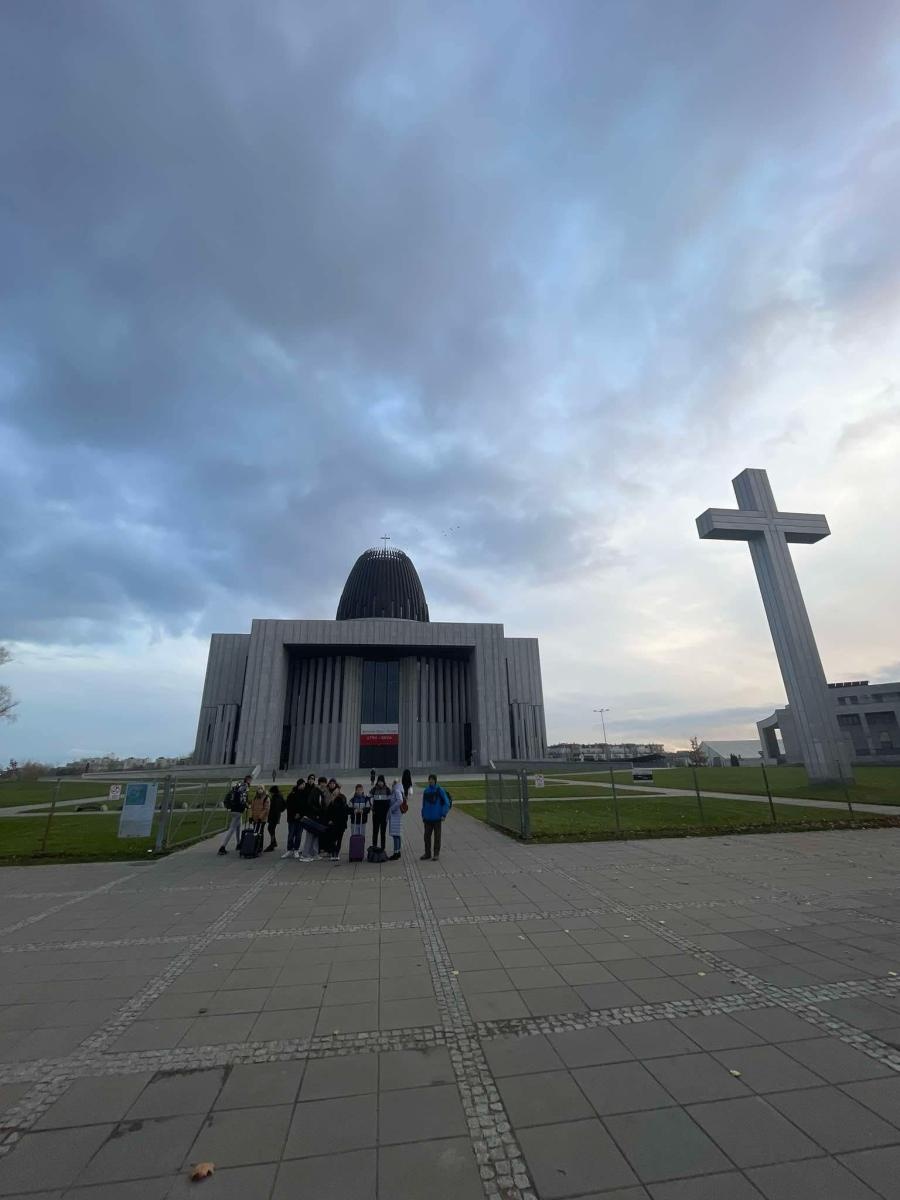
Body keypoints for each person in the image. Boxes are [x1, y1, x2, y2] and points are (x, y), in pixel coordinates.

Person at [420, 773, 451, 861]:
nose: (431, 781)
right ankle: (427, 853)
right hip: (427, 818)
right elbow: (424, 804)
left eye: (432, 779)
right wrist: (423, 814)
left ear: (435, 780)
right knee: (426, 837)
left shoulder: (439, 790)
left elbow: (446, 802)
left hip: (437, 818)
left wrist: (443, 814)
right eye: (429, 779)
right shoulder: (426, 790)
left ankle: (436, 854)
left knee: (437, 837)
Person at [218, 774, 251, 854]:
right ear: (247, 780)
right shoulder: (245, 787)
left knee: (238, 826)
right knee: (232, 828)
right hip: (238, 810)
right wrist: (247, 805)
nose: (250, 781)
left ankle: (239, 843)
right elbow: (243, 799)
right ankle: (222, 847)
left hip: (233, 808)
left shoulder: (238, 785)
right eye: (250, 780)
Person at [284, 774, 314, 858]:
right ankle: (289, 849)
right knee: (291, 834)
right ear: (299, 785)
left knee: (298, 835)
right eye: (302, 784)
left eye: (304, 784)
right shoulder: (292, 794)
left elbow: (305, 807)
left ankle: (296, 849)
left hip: (300, 818)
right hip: (292, 818)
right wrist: (294, 814)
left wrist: (300, 814)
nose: (304, 786)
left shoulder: (305, 795)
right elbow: (289, 806)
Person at [300, 776, 328, 861]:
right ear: (320, 783)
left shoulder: (320, 792)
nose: (325, 784)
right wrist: (317, 812)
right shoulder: (315, 791)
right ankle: (305, 854)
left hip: (318, 818)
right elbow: (310, 804)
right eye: (323, 783)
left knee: (316, 835)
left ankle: (314, 853)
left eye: (325, 783)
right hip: (313, 817)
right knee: (310, 836)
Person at [321, 779, 349, 862]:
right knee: (332, 838)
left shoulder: (342, 798)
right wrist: (329, 820)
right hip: (333, 823)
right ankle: (333, 852)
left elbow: (344, 811)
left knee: (339, 839)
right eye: (334, 793)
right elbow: (328, 813)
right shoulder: (331, 802)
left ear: (339, 790)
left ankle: (336, 853)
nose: (335, 793)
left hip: (341, 823)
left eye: (337, 791)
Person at [370, 773, 391, 853]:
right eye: (379, 781)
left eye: (381, 781)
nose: (380, 783)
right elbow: (369, 798)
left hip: (384, 815)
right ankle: (374, 847)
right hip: (375, 814)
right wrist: (371, 806)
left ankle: (383, 848)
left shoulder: (387, 790)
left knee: (383, 832)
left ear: (384, 782)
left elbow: (390, 802)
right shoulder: (374, 789)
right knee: (375, 832)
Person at [249, 786, 270, 853]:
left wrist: (260, 817)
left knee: (260, 832)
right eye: (258, 789)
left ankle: (259, 847)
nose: (260, 790)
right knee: (255, 832)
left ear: (263, 790)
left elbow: (266, 809)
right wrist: (251, 816)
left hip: (262, 819)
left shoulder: (266, 798)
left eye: (261, 789)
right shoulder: (255, 798)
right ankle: (254, 845)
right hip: (255, 818)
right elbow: (252, 808)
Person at [265, 784, 285, 852]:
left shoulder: (275, 797)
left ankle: (272, 843)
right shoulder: (280, 796)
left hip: (273, 816)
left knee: (270, 829)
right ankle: (273, 842)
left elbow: (273, 806)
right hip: (276, 815)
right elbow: (284, 805)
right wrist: (281, 810)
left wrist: (268, 796)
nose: (271, 793)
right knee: (271, 829)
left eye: (271, 792)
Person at [388, 778, 404, 860]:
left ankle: (396, 853)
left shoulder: (397, 790)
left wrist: (392, 808)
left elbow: (400, 800)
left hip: (395, 815)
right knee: (397, 834)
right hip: (397, 815)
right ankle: (398, 851)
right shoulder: (397, 790)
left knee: (395, 835)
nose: (392, 784)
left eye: (394, 783)